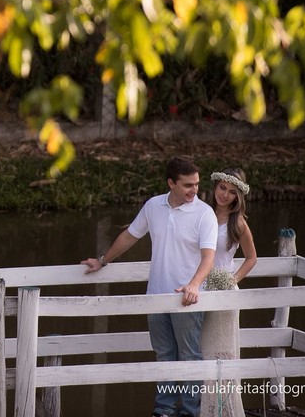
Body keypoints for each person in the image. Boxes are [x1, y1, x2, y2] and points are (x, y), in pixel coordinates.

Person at [82, 156, 218, 417]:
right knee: (164, 354)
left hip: (187, 299)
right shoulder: (153, 206)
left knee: (189, 356)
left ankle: (190, 412)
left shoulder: (204, 214)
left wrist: (193, 285)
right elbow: (129, 236)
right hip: (155, 296)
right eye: (188, 185)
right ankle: (164, 409)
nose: (194, 190)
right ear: (171, 183)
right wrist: (102, 261)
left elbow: (208, 258)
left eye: (196, 184)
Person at [200, 168, 257, 417]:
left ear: (238, 196)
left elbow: (251, 258)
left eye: (232, 192)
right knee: (201, 349)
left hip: (224, 290)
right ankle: (203, 407)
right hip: (198, 288)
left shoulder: (238, 223)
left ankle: (223, 409)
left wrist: (232, 279)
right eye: (222, 188)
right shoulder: (202, 213)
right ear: (215, 187)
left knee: (223, 351)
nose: (224, 195)